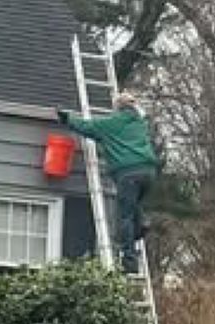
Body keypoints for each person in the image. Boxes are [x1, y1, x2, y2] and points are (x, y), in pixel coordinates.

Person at [57, 89, 161, 267]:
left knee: (125, 217)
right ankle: (142, 222)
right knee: (133, 205)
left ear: (117, 108)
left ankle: (129, 262)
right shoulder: (140, 122)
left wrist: (66, 118)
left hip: (128, 174)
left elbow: (86, 127)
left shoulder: (110, 124)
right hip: (149, 172)